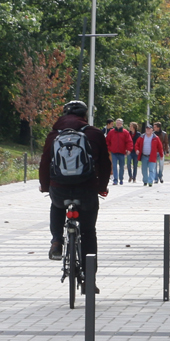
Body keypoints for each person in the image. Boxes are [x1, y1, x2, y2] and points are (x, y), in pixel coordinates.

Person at [38, 100, 110, 293]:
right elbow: (105, 164)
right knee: (88, 232)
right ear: (85, 115)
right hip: (86, 190)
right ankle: (89, 280)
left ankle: (56, 241)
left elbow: (45, 162)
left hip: (59, 188)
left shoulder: (54, 135)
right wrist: (101, 187)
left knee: (56, 205)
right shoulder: (95, 134)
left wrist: (46, 186)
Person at [105, 118, 132, 187]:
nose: (118, 124)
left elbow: (129, 142)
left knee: (121, 167)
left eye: (119, 123)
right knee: (114, 166)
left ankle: (121, 179)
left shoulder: (125, 132)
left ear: (122, 124)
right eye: (117, 123)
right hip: (114, 152)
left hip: (122, 152)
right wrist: (109, 148)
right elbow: (107, 141)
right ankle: (115, 180)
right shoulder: (111, 132)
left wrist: (129, 149)